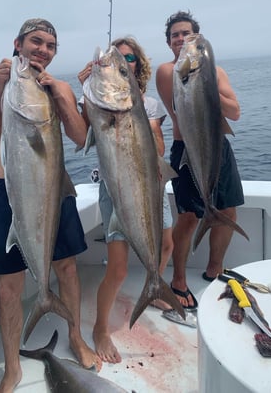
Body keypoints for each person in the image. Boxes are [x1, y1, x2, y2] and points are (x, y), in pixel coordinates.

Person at [0, 19, 102, 393]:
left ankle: (75, 337)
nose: (43, 49)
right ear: (18, 43)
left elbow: (79, 137)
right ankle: (12, 367)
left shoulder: (54, 86)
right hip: (9, 192)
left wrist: (60, 92)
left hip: (54, 188)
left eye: (50, 45)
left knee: (68, 269)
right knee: (9, 287)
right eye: (36, 41)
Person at [78, 36, 173, 364]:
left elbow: (159, 150)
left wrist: (145, 130)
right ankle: (101, 328)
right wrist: (86, 96)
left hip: (151, 184)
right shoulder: (95, 99)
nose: (123, 62)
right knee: (117, 269)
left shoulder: (149, 105)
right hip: (117, 188)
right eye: (120, 61)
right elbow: (83, 136)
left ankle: (155, 286)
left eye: (127, 59)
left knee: (166, 245)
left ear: (138, 66)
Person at [156, 10, 244, 310]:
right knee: (189, 216)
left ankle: (214, 268)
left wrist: (206, 80)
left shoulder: (215, 72)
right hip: (187, 150)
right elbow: (180, 106)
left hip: (218, 147)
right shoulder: (168, 71)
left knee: (228, 211)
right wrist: (200, 76)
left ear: (198, 38)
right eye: (175, 36)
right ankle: (178, 280)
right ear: (169, 43)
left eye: (187, 34)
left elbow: (234, 112)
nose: (180, 39)